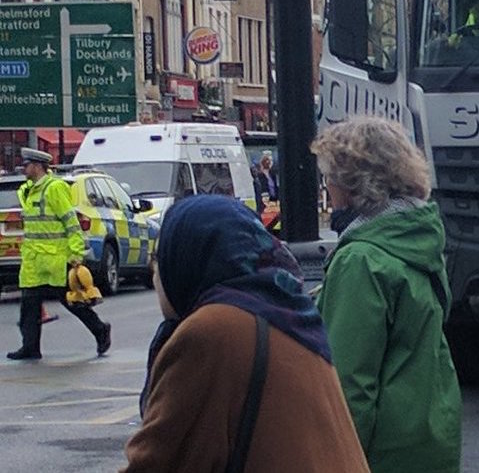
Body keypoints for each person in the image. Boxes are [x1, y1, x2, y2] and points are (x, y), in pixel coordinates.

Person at [122, 195, 369, 473]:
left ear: (188, 258)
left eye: (160, 260)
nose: (155, 274)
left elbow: (161, 461)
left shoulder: (215, 330)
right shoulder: (289, 313)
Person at [311, 117, 462, 473]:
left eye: (330, 176)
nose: (328, 188)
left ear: (352, 182)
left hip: (382, 452)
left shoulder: (361, 260)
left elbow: (350, 383)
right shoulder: (417, 238)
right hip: (430, 434)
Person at [7, 148, 111, 360]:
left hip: (56, 260)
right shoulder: (29, 190)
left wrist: (75, 254)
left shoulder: (54, 189)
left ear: (37, 166)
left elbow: (71, 223)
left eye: (26, 165)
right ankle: (30, 348)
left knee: (72, 302)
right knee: (29, 306)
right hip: (34, 261)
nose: (23, 169)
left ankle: (100, 330)